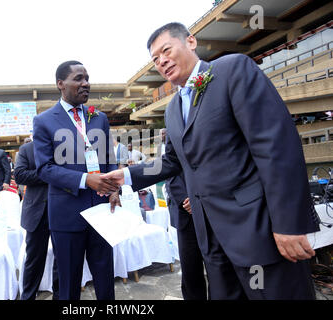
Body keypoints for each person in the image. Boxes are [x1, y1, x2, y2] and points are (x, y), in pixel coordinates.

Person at [102, 22, 319, 299]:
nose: (162, 61)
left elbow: (276, 146)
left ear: (191, 42)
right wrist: (126, 177)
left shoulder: (232, 70)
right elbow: (172, 161)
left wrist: (289, 224)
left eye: (166, 50)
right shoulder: (172, 110)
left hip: (258, 232)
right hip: (212, 242)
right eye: (155, 59)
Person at [33, 60, 120, 300]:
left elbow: (108, 158)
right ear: (61, 84)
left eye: (87, 78)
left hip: (102, 210)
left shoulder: (99, 118)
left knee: (105, 278)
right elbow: (44, 168)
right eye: (79, 78)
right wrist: (85, 180)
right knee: (69, 283)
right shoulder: (44, 121)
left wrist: (114, 189)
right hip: (67, 214)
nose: (86, 84)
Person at [161, 128, 207, 300]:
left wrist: (201, 200)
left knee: (218, 270)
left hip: (211, 209)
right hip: (185, 214)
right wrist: (186, 200)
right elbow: (171, 175)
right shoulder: (174, 135)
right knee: (190, 270)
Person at [14, 139, 59, 300]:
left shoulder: (63, 147)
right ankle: (28, 297)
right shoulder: (26, 149)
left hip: (61, 210)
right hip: (36, 213)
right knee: (34, 259)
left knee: (61, 259)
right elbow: (19, 175)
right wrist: (48, 173)